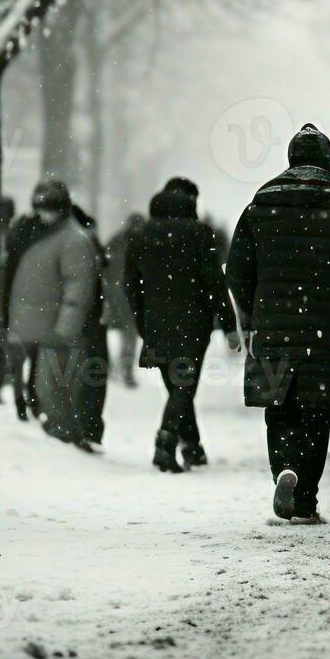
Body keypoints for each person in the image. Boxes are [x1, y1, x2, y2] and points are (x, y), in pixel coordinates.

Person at [225, 124, 330, 523]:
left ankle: (283, 467)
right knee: (317, 413)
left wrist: (252, 315)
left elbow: (236, 273)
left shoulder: (257, 211)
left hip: (273, 327)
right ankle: (306, 498)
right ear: (328, 163)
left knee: (279, 406)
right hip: (329, 330)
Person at [125, 178, 236, 472]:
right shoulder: (199, 234)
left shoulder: (139, 235)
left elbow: (130, 285)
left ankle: (192, 446)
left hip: (155, 321)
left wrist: (141, 321)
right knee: (183, 386)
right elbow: (214, 282)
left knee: (176, 386)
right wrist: (229, 324)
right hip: (192, 321)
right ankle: (166, 441)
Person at [4, 180, 108, 451]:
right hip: (37, 325)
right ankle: (62, 435)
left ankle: (65, 437)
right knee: (46, 387)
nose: (43, 213)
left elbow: (78, 286)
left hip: (53, 329)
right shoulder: (34, 232)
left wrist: (66, 327)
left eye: (49, 207)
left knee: (53, 389)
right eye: (40, 207)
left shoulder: (72, 240)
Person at [104, 213, 146, 388]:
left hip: (118, 293)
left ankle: (115, 368)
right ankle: (124, 370)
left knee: (124, 335)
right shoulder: (141, 243)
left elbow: (105, 266)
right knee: (129, 335)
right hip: (128, 294)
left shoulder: (116, 241)